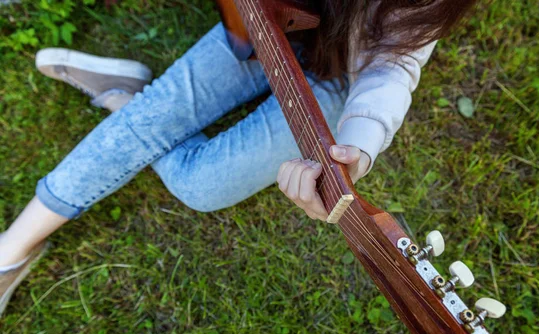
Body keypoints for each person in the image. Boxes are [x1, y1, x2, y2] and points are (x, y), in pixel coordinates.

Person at [0, 0, 475, 316]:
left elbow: (394, 67)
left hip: (341, 82)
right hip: (259, 19)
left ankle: (123, 98)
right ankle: (11, 250)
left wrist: (357, 148)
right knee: (156, 122)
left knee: (199, 187)